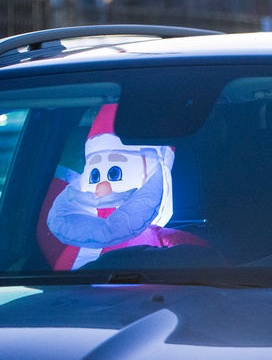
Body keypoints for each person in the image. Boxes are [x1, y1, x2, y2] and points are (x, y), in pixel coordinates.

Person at [38, 103, 209, 270]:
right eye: (95, 175)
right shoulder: (64, 237)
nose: (102, 188)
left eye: (114, 174)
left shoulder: (175, 248)